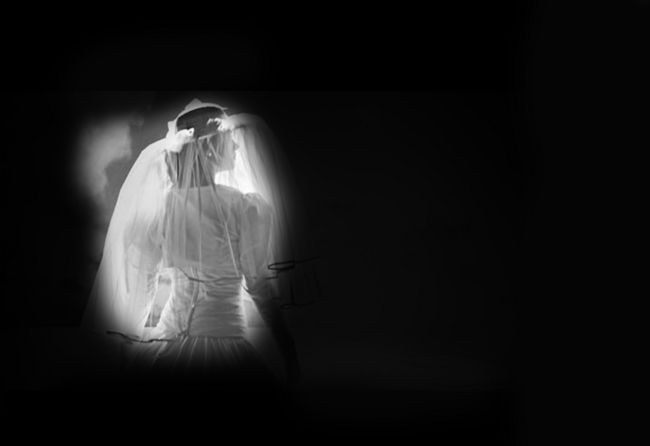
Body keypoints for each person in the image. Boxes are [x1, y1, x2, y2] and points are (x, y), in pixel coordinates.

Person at [82, 99, 300, 397]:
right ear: (209, 150)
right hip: (227, 345)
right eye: (229, 140)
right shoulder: (244, 208)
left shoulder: (158, 212)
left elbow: (141, 286)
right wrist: (288, 348)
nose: (236, 146)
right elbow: (259, 285)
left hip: (166, 344)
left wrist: (131, 346)